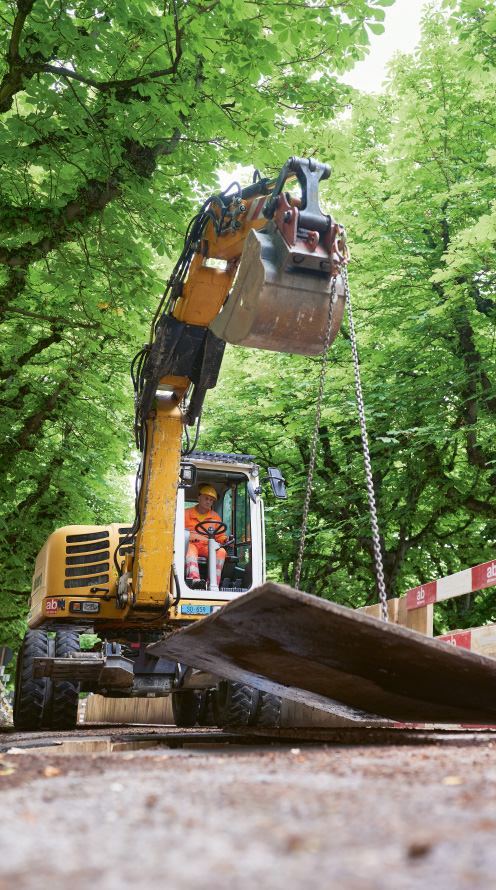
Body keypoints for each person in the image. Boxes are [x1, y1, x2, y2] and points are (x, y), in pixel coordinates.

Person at [185, 485, 228, 588]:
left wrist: (225, 540)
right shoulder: (186, 513)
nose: (208, 501)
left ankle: (213, 583)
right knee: (189, 549)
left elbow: (219, 535)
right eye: (206, 498)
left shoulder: (214, 516)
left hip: (206, 546)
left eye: (211, 500)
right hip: (191, 544)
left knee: (221, 552)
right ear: (199, 497)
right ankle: (194, 580)